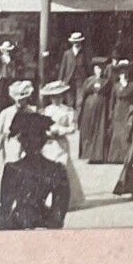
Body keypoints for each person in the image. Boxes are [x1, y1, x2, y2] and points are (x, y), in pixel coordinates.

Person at [0, 113, 70, 230]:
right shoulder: (56, 170)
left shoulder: (12, 170)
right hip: (44, 223)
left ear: (21, 141)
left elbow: (3, 212)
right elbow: (58, 216)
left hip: (16, 225)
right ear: (45, 140)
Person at [39, 81, 86, 212]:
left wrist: (60, 131)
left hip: (61, 144)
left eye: (59, 96)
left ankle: (64, 199)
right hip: (49, 145)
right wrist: (47, 132)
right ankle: (48, 200)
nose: (56, 99)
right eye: (54, 96)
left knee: (62, 169)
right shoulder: (46, 111)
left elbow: (72, 128)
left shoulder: (68, 111)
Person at [0, 80, 36, 164]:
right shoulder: (6, 112)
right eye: (18, 100)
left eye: (23, 100)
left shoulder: (31, 112)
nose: (20, 103)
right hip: (11, 143)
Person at [76, 62, 111, 162]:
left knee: (99, 129)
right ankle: (87, 153)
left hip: (102, 107)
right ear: (94, 70)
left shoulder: (106, 81)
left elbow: (108, 94)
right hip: (89, 107)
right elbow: (84, 92)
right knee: (88, 128)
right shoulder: (89, 80)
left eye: (100, 69)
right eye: (96, 69)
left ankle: (98, 155)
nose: (98, 71)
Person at [57, 31, 91, 96]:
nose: (76, 43)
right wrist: (60, 80)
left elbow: (87, 66)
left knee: (79, 101)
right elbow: (63, 67)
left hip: (81, 79)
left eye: (77, 41)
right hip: (69, 79)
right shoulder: (67, 53)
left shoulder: (84, 53)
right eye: (74, 41)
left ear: (80, 41)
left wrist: (88, 78)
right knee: (70, 100)